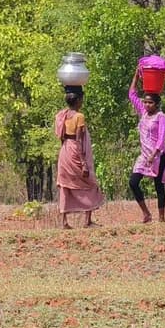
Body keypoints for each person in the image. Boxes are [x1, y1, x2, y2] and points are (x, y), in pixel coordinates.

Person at [54, 89, 104, 229]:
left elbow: (62, 137)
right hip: (75, 151)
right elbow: (78, 140)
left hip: (65, 151)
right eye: (81, 99)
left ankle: (64, 222)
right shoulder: (79, 116)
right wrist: (83, 163)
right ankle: (87, 220)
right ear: (77, 101)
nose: (82, 102)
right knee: (89, 184)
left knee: (65, 186)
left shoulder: (62, 115)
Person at [128, 68, 165, 223]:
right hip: (144, 155)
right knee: (133, 182)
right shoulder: (143, 113)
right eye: (145, 102)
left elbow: (161, 138)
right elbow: (132, 94)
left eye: (150, 102)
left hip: (158, 155)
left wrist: (154, 154)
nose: (146, 104)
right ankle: (146, 214)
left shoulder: (161, 117)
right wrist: (136, 75)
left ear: (157, 104)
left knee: (159, 186)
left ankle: (161, 218)